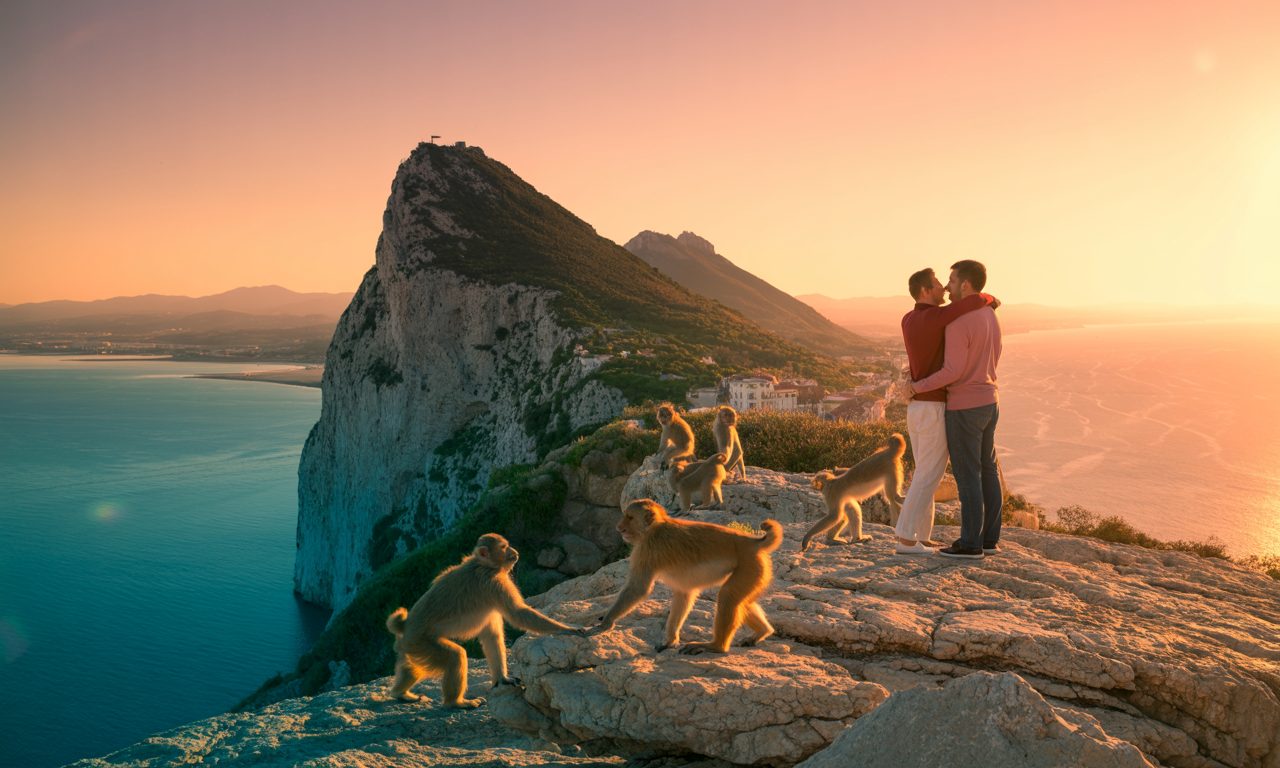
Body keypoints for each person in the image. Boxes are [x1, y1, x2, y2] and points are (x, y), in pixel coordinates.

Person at [894, 269, 997, 555]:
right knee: (929, 473)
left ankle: (922, 536)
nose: (944, 289)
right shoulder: (937, 317)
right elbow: (973, 300)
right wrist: (990, 298)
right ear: (925, 291)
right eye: (939, 284)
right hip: (933, 406)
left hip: (916, 408)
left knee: (926, 472)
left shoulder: (908, 318)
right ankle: (905, 537)